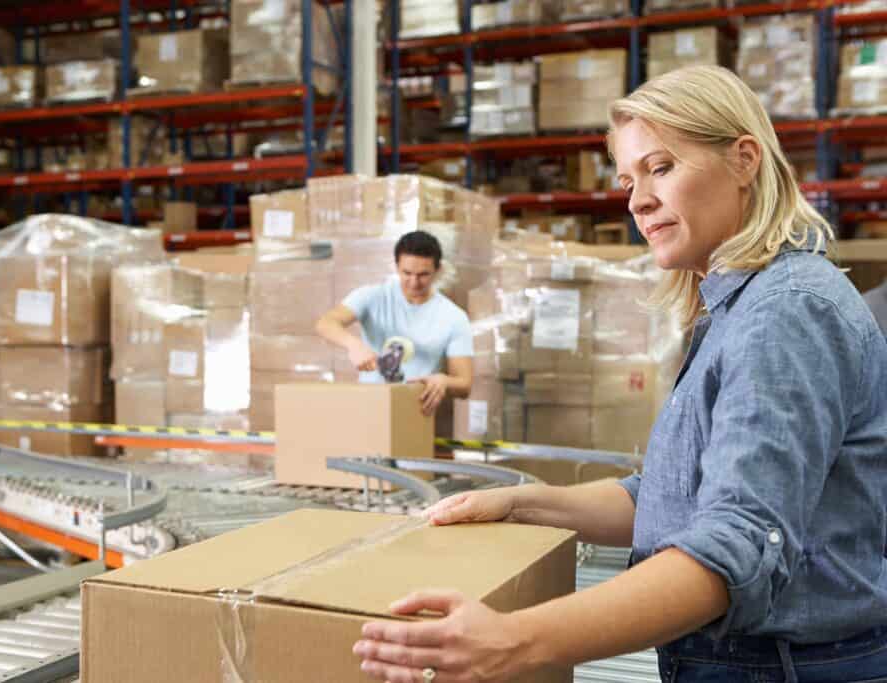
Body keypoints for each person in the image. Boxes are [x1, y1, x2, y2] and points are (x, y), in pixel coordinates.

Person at [352, 65, 887, 683]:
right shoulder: (740, 307)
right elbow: (672, 497)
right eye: (629, 180)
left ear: (744, 160)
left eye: (661, 168)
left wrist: (516, 640)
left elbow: (735, 548)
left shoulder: (786, 313)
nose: (638, 200)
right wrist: (525, 502)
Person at [315, 230, 473, 416]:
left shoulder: (453, 317)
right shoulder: (372, 296)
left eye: (423, 275)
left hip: (415, 413)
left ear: (437, 271)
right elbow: (326, 323)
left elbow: (464, 384)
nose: (414, 282)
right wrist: (354, 345)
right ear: (397, 267)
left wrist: (444, 381)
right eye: (407, 273)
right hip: (367, 408)